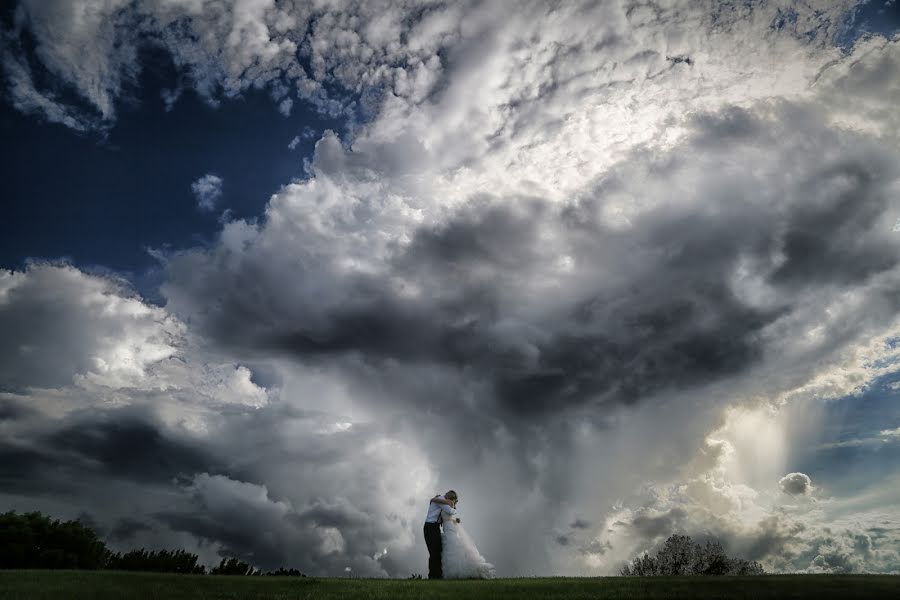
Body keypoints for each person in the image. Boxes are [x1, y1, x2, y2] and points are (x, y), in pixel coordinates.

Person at [424, 491, 495, 579]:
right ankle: (435, 575)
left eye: (448, 496)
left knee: (441, 550)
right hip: (436, 527)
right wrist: (442, 501)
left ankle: (435, 575)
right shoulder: (442, 500)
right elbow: (448, 512)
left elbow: (450, 512)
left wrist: (447, 504)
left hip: (444, 528)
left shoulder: (444, 503)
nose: (446, 495)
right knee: (438, 551)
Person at [423, 490, 457, 579]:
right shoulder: (440, 499)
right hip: (431, 527)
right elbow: (450, 511)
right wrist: (452, 505)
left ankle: (437, 574)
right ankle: (433, 575)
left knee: (437, 551)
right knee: (434, 551)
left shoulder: (440, 499)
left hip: (434, 527)